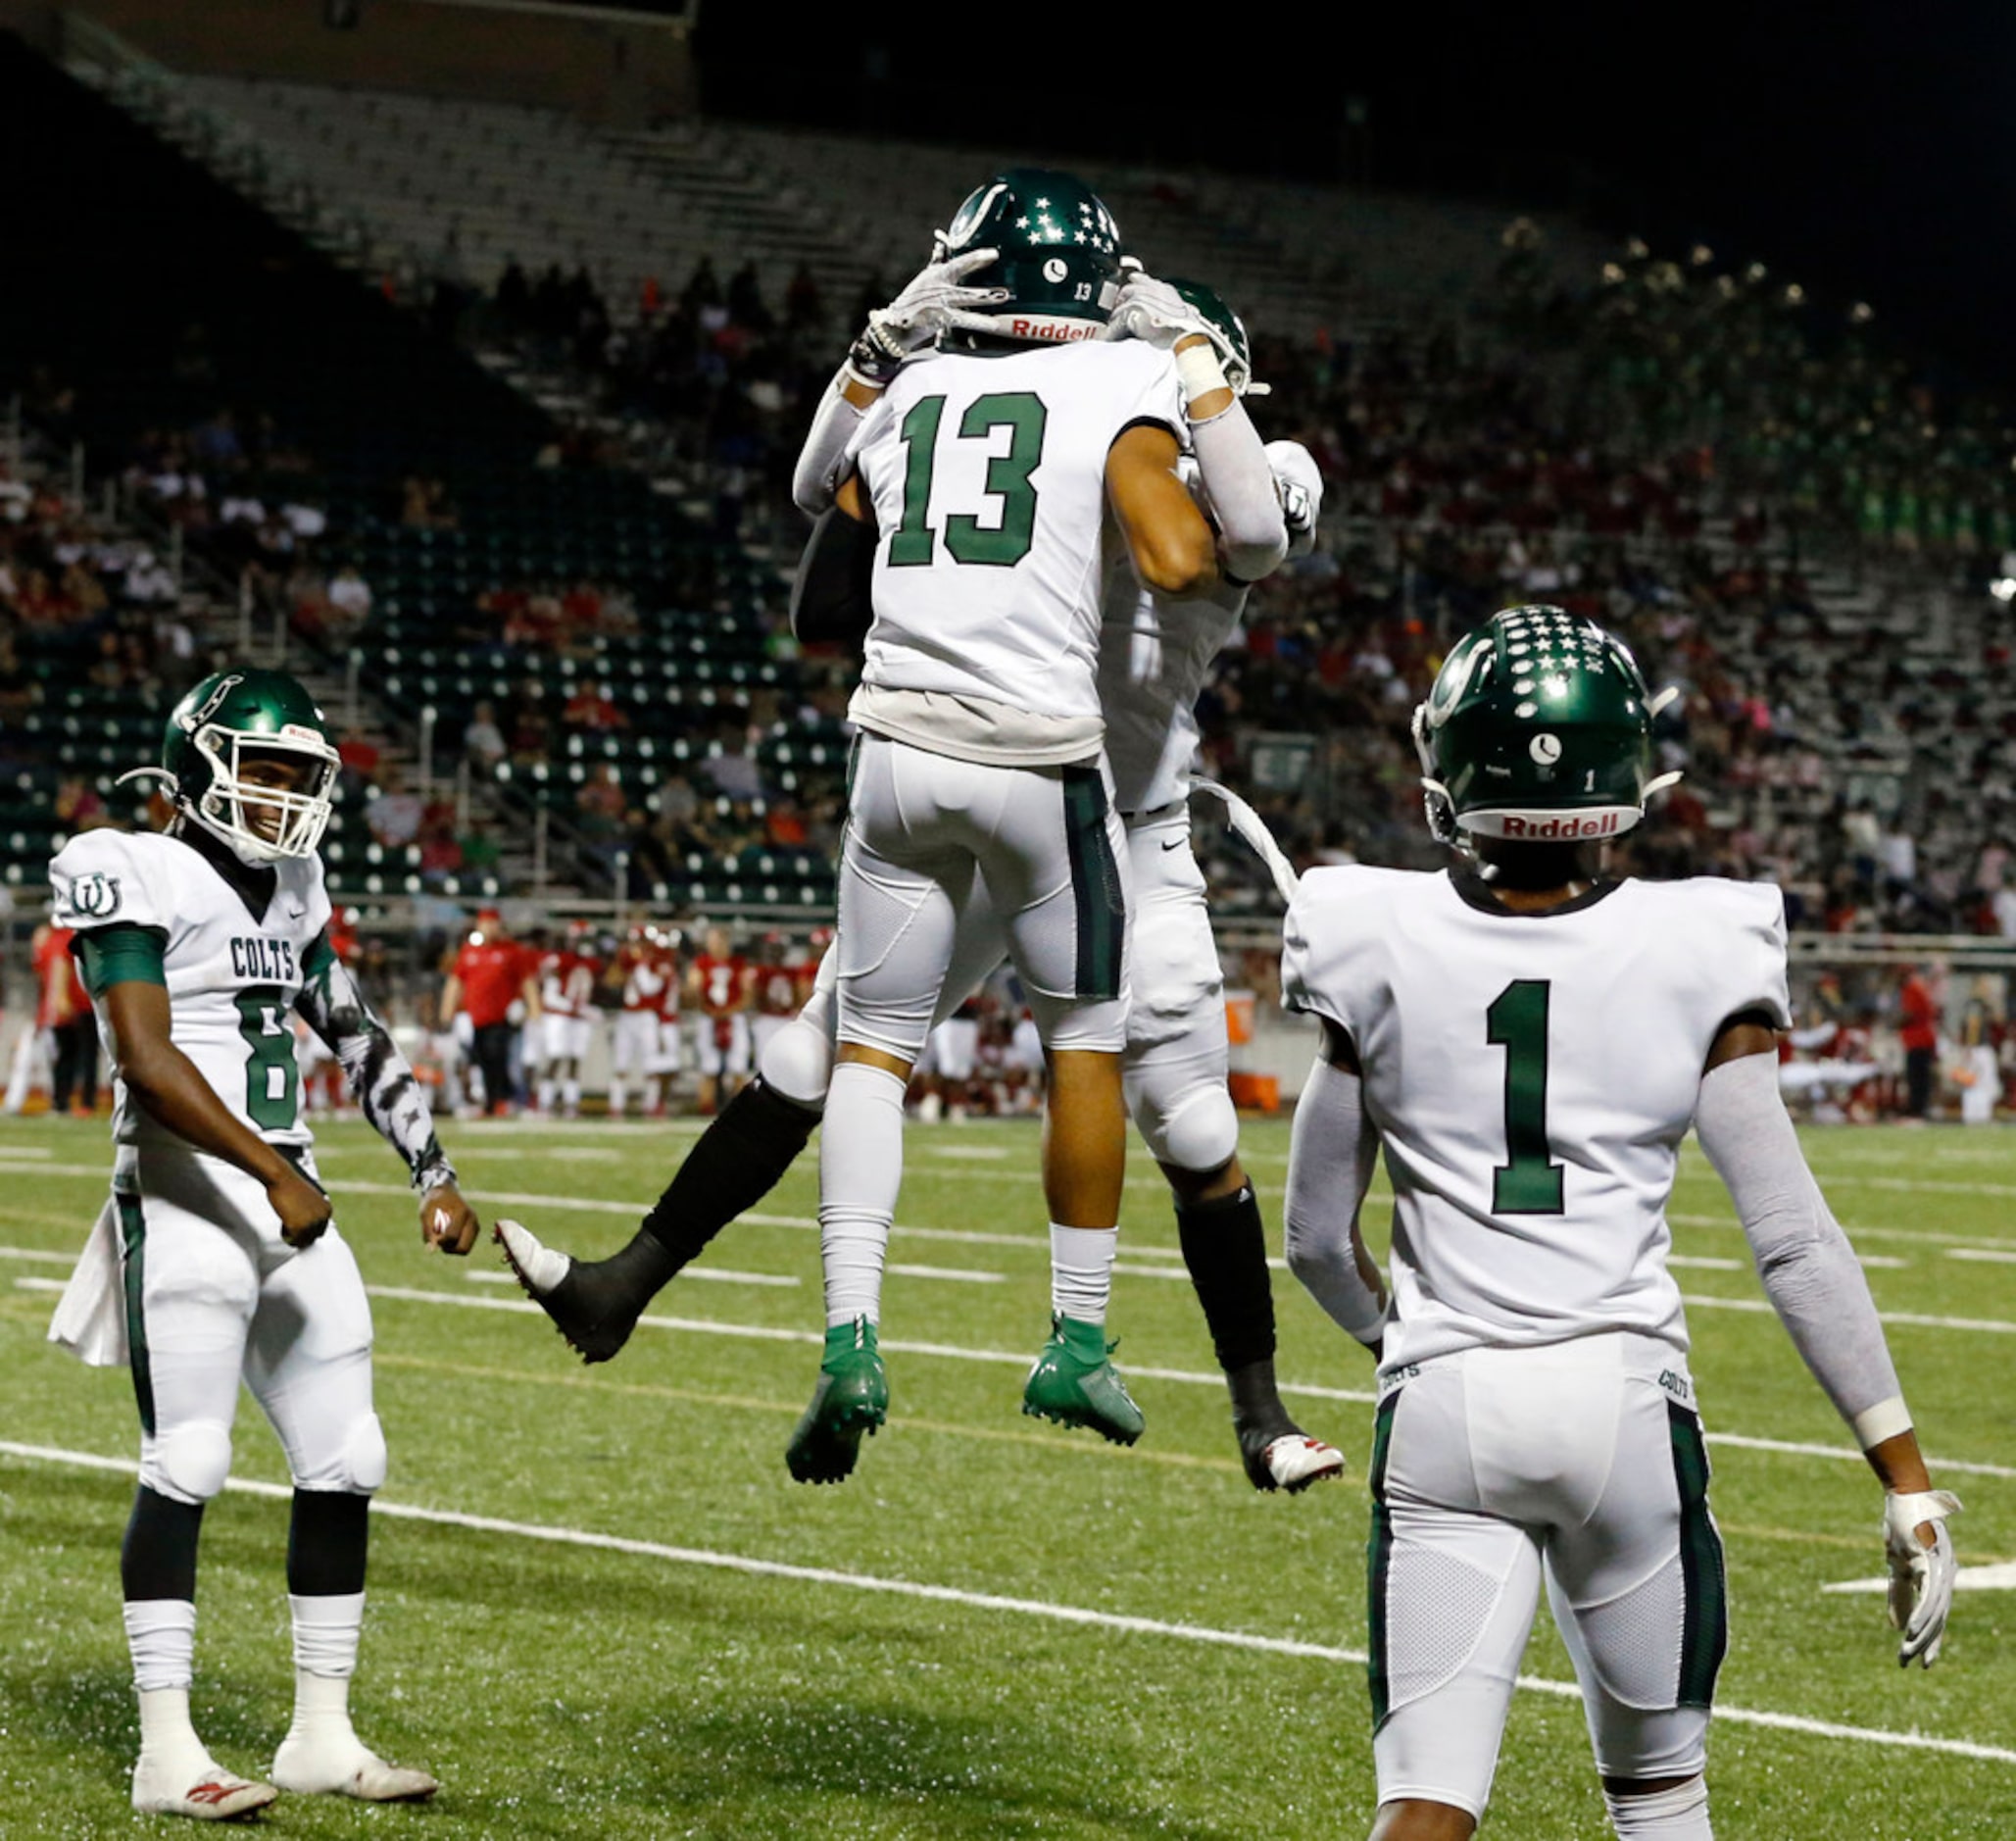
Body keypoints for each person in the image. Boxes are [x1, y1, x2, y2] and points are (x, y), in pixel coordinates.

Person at [498, 257, 1307, 1490]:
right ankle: (625, 1286)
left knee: (1191, 1124)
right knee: (811, 1048)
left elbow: (1220, 532)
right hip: (1031, 793)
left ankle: (1259, 1413)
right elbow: (835, 585)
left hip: (1125, 831)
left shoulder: (1188, 461)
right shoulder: (1095, 427)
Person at [1277, 607, 1959, 1841]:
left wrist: (1410, 1348)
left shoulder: (1359, 928)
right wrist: (1901, 1477)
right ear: (1623, 781)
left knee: (1423, 1810)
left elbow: (1316, 1240)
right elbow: (1792, 1239)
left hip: (1444, 1410)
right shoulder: (1703, 938)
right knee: (1655, 1806)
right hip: (1622, 1405)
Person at [44, 668, 482, 1820]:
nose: (284, 795)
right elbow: (142, 1055)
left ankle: (322, 1737)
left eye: (300, 774)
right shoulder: (125, 864)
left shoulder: (297, 887)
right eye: (264, 768)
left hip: (293, 1203)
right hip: (189, 1198)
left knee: (351, 1459)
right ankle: (165, 1750)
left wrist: (430, 1167)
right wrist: (275, 1170)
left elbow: (351, 1027)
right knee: (186, 1461)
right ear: (197, 767)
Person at [438, 907, 539, 1116]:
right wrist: (447, 1010)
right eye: (485, 923)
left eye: (492, 923)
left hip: (503, 1017)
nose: (489, 928)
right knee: (482, 1058)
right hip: (477, 1017)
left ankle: (502, 1099)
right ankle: (492, 1102)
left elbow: (527, 981)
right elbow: (455, 982)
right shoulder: (469, 952)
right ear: (478, 925)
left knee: (498, 1057)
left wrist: (535, 1008)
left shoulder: (511, 951)